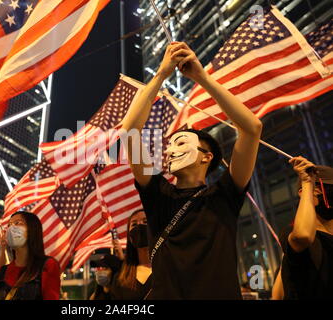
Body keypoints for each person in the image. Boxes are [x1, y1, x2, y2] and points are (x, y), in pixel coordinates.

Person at [121, 42, 262, 299]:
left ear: (207, 157)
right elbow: (129, 129)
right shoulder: (157, 194)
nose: (170, 150)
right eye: (170, 145)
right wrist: (161, 74)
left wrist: (202, 78)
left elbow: (252, 127)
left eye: (181, 142)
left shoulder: (225, 194)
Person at [276, 157, 333, 299]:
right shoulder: (291, 234)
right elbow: (303, 236)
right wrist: (308, 182)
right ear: (304, 193)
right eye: (326, 189)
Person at [0, 211, 61, 300]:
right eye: (9, 225)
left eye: (18, 223)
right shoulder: (0, 273)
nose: (11, 228)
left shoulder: (48, 265)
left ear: (32, 230)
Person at [110, 209, 152, 300]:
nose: (140, 225)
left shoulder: (167, 269)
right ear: (129, 236)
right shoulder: (120, 278)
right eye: (134, 224)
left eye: (145, 222)